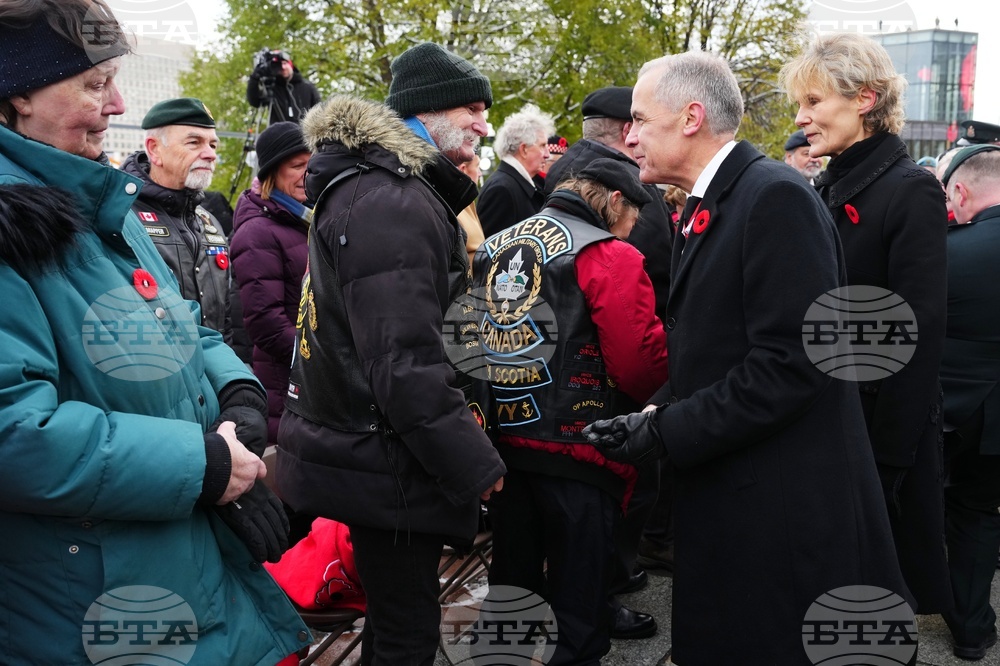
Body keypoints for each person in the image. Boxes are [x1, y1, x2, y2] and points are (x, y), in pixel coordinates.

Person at [0, 1, 308, 663]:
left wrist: (238, 396)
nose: (116, 104)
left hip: (173, 564)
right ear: (17, 93)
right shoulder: (15, 224)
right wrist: (200, 464)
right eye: (92, 83)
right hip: (87, 603)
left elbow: (181, 323)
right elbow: (13, 432)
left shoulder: (97, 203)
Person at [582, 50, 911, 664]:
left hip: (777, 511)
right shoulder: (725, 199)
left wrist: (664, 429)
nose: (628, 136)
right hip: (740, 489)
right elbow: (713, 349)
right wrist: (650, 413)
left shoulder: (772, 198)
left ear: (690, 117)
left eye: (638, 119)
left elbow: (792, 366)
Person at [276, 42, 506, 665]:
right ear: (424, 113)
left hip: (382, 452)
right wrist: (474, 463)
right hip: (390, 457)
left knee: (395, 617)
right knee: (407, 629)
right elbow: (404, 362)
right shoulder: (392, 200)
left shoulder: (391, 192)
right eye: (472, 109)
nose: (485, 125)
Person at [781, 32, 952, 617]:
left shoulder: (910, 190)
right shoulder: (828, 184)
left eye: (812, 102)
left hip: (874, 430)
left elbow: (919, 331)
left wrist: (889, 459)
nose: (800, 118)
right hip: (828, 420)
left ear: (864, 99)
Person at [473, 157, 667, 663]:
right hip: (582, 449)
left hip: (504, 447)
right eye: (631, 224)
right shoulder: (609, 255)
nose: (630, 234)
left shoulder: (495, 245)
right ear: (616, 202)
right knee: (578, 604)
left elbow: (467, 345)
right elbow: (638, 364)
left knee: (510, 590)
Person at [542, 84, 676, 622]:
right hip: (599, 384)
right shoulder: (611, 239)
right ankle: (596, 600)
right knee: (605, 504)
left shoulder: (559, 186)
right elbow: (634, 350)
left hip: (535, 398)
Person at [938, 144, 1000, 660]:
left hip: (953, 414)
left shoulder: (948, 251)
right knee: (979, 515)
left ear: (960, 191)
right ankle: (973, 629)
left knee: (964, 513)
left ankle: (966, 625)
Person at [544, 85, 674, 320]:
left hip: (563, 311)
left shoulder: (561, 167)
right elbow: (656, 259)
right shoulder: (632, 180)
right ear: (627, 130)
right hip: (620, 318)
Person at [122, 98, 239, 346]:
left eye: (213, 145)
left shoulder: (210, 223)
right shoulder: (122, 216)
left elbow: (224, 322)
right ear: (154, 150)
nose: (210, 154)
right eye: (194, 142)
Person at [230, 121, 312, 445]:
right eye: (297, 166)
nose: (308, 173)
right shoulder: (257, 232)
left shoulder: (308, 220)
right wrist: (322, 357)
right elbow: (266, 323)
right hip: (286, 390)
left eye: (313, 164)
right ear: (270, 174)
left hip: (312, 384)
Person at [477, 103, 554, 237]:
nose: (547, 154)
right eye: (542, 146)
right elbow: (490, 253)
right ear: (524, 149)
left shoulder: (517, 184)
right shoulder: (501, 190)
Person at [247, 48, 321, 125]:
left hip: (304, 133)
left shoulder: (307, 87)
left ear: (291, 65)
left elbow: (319, 110)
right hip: (279, 134)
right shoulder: (271, 86)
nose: (283, 67)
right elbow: (254, 102)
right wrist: (255, 78)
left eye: (285, 63)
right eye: (278, 65)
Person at [456, 152, 487, 267]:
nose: (480, 173)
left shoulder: (467, 202)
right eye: (477, 166)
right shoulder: (456, 207)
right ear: (463, 169)